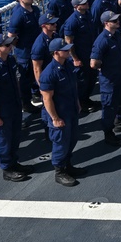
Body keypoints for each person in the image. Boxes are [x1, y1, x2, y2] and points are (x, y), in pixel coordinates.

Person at [0, 33, 32, 181]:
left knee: (15, 137)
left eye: (10, 44)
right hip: (2, 111)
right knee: (4, 140)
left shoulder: (10, 60)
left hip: (14, 106)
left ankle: (14, 162)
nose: (10, 47)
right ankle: (7, 169)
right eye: (7, 45)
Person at [39, 37, 85, 187]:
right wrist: (55, 118)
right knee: (61, 143)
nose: (68, 51)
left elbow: (74, 86)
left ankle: (68, 165)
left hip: (70, 110)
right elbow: (47, 99)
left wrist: (77, 103)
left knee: (72, 139)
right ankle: (59, 171)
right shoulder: (49, 73)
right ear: (56, 52)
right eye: (65, 50)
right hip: (60, 114)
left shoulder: (69, 65)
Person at [90, 10, 121, 146]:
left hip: (120, 76)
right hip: (109, 80)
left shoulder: (115, 35)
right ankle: (108, 133)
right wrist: (104, 66)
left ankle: (119, 122)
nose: (118, 22)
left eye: (117, 20)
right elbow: (93, 62)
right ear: (106, 23)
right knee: (109, 107)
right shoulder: (102, 40)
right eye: (114, 21)